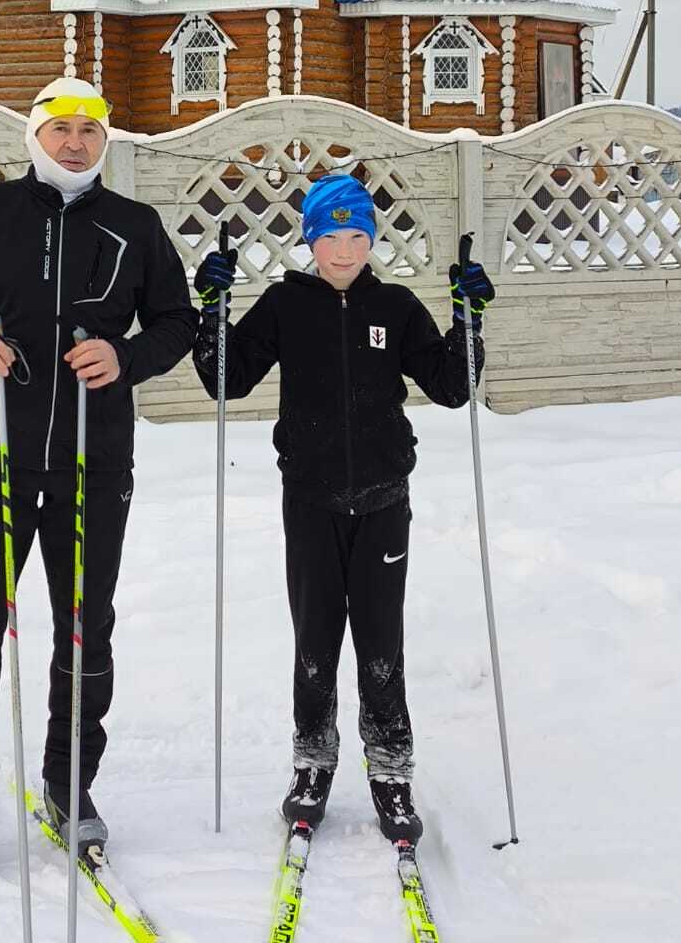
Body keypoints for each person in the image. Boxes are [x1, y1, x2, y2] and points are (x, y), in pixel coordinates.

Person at [0, 77, 197, 866]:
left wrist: (126, 355)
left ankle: (69, 784)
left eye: (90, 133)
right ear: (35, 137)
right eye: (60, 129)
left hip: (91, 460)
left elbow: (177, 320)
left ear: (106, 143)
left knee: (82, 624)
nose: (74, 143)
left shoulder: (135, 227)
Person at [192, 173, 494, 844]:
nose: (346, 248)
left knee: (381, 644)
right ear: (311, 238)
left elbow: (449, 388)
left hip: (384, 500)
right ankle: (312, 764)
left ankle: (390, 771)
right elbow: (225, 379)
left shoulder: (394, 305)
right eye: (332, 235)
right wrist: (208, 310)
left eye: (358, 234)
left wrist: (466, 322)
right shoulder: (282, 305)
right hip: (310, 501)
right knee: (315, 641)